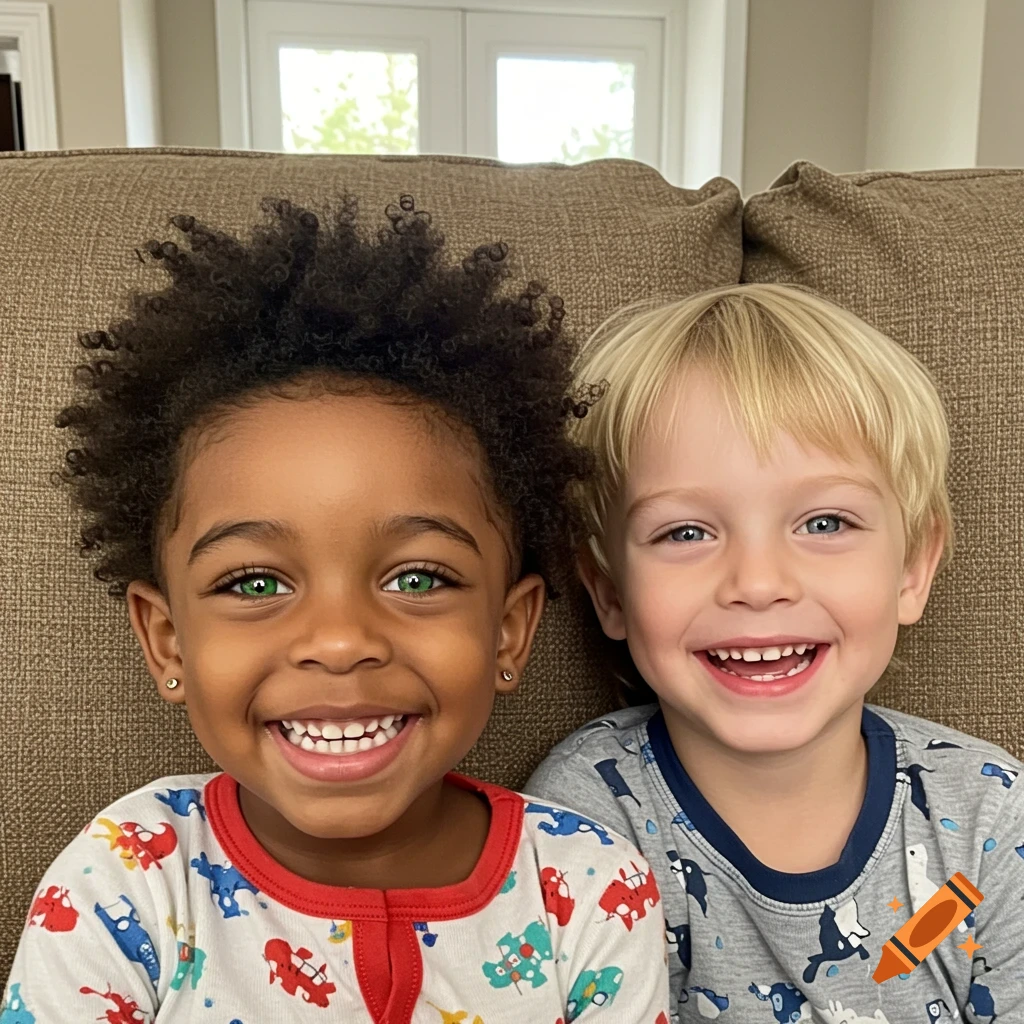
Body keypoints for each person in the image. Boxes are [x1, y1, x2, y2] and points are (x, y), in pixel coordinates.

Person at [3, 196, 669, 1023]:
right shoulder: (124, 882)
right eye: (254, 584)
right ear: (167, 641)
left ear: (510, 628)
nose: (341, 641)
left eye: (418, 579)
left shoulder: (591, 889)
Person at [527, 283, 1022, 1023]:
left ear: (912, 571)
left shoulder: (991, 817)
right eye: (685, 533)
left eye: (825, 522)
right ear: (610, 594)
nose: (758, 584)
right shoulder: (584, 821)